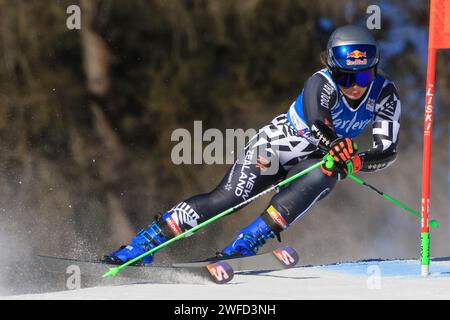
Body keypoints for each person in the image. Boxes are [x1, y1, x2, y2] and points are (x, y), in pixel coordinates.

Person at [104, 25, 401, 265]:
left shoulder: (385, 93)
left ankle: (246, 242)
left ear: (374, 69)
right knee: (228, 200)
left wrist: (354, 161)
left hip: (314, 160)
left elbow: (387, 150)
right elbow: (317, 122)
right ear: (332, 69)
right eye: (346, 76)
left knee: (328, 172)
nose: (355, 85)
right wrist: (336, 144)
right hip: (275, 148)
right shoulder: (321, 83)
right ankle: (144, 245)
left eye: (363, 74)